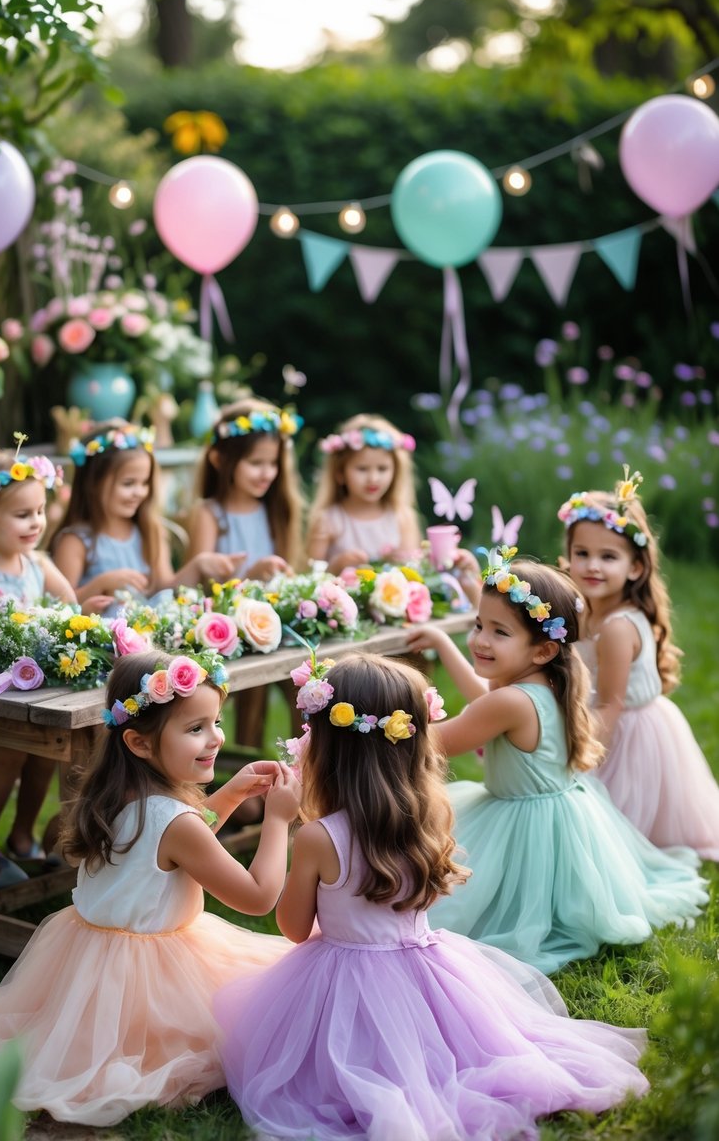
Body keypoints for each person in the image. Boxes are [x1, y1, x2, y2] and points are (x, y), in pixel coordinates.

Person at [214, 652, 650, 1141]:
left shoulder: (319, 838)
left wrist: (279, 819)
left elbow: (294, 930)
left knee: (345, 1061)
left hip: (342, 978)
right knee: (452, 1051)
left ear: (327, 750)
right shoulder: (434, 815)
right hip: (427, 971)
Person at [0, 650, 300, 1127]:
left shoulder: (118, 793)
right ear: (140, 743)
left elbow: (169, 849)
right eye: (196, 728)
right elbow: (257, 897)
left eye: (215, 722)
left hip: (89, 960)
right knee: (267, 1010)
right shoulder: (175, 822)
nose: (216, 738)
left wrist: (228, 795)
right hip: (150, 977)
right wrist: (277, 820)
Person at [405, 548, 707, 974]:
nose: (480, 640)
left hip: (524, 827)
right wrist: (442, 641)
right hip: (564, 813)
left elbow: (432, 741)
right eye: (478, 625)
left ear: (543, 649)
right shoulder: (550, 680)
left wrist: (393, 709)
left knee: (457, 907)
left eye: (499, 632)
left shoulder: (511, 700)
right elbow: (482, 697)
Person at [559, 469, 719, 858]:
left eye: (607, 556)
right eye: (582, 554)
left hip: (626, 731)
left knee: (613, 834)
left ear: (634, 567)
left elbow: (611, 702)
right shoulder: (584, 607)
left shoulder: (617, 627)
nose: (592, 565)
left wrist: (584, 758)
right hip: (600, 716)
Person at [0, 440, 77, 888]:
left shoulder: (38, 564)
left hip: (41, 694)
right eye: (22, 514)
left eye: (39, 511)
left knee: (45, 759)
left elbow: (72, 609)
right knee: (11, 754)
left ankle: (23, 837)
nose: (36, 523)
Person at [187, 398, 304, 754]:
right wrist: (248, 576)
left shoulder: (276, 510)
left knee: (308, 684)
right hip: (226, 634)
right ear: (221, 460)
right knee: (250, 688)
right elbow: (198, 585)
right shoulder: (210, 514)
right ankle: (243, 765)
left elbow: (288, 571)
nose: (266, 473)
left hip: (277, 630)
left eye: (272, 463)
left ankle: (309, 761)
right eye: (255, 463)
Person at [52, 421, 244, 616]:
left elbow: (166, 589)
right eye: (128, 484)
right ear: (93, 483)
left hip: (148, 640)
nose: (139, 492)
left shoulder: (149, 530)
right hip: (99, 642)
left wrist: (199, 564)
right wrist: (102, 583)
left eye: (144, 483)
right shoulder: (76, 542)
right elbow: (61, 606)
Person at [306, 413, 422, 575]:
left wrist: (394, 562)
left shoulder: (402, 517)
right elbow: (309, 577)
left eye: (382, 469)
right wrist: (337, 565)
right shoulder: (329, 520)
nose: (373, 478)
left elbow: (413, 573)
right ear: (340, 473)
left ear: (396, 472)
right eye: (362, 469)